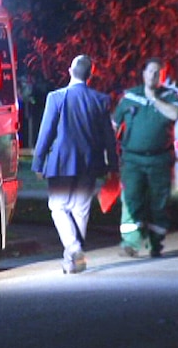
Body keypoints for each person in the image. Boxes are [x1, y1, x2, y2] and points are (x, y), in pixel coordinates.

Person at [32, 55, 119, 274]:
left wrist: (38, 162)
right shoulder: (100, 100)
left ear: (70, 70)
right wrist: (113, 165)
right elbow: (109, 136)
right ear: (90, 75)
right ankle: (72, 260)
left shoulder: (57, 97)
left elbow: (46, 132)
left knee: (58, 207)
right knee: (80, 209)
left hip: (61, 162)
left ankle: (73, 247)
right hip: (90, 162)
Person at [112, 58, 178, 258]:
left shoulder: (170, 96)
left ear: (163, 76)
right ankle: (130, 243)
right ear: (143, 74)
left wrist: (154, 99)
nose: (152, 76)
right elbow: (115, 124)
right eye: (150, 71)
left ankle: (155, 242)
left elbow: (174, 114)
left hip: (160, 159)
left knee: (159, 201)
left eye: (157, 73)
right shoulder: (130, 96)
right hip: (133, 160)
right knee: (131, 198)